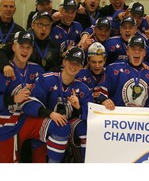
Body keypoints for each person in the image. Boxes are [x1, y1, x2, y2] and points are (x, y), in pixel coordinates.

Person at [0, 31, 70, 163]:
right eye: (21, 46)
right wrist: (13, 99)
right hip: (6, 123)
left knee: (61, 125)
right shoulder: (4, 70)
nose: (25, 50)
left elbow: (37, 99)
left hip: (28, 119)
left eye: (29, 47)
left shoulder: (37, 70)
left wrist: (50, 113)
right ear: (14, 47)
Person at [23, 46, 93, 163]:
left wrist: (78, 108)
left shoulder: (83, 89)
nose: (73, 66)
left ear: (81, 67)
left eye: (77, 64)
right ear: (64, 61)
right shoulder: (45, 79)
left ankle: (86, 163)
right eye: (71, 62)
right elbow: (29, 104)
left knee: (84, 129)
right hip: (44, 122)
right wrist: (50, 114)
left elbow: (91, 116)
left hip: (66, 126)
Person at [96, 35, 149, 109]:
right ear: (127, 51)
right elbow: (99, 93)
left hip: (141, 119)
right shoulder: (113, 70)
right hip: (117, 118)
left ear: (144, 53)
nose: (137, 52)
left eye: (140, 49)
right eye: (133, 49)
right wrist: (104, 100)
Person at [0, 11, 61, 75]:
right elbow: (2, 52)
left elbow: (56, 66)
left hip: (45, 81)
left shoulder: (55, 44)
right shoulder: (22, 39)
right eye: (40, 24)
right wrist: (5, 65)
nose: (44, 28)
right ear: (33, 25)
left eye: (47, 25)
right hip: (24, 80)